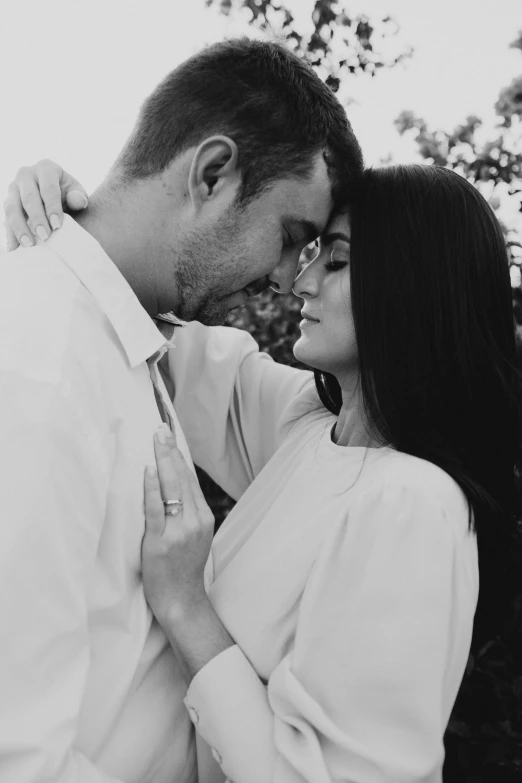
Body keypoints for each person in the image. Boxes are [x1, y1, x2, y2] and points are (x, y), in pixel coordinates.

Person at [8, 162, 521, 782]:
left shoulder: (411, 503)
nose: (299, 282)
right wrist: (62, 212)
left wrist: (188, 606)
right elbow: (145, 307)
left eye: (335, 261)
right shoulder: (307, 424)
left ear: (415, 283)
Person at [0, 38, 362, 783]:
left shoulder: (133, 336)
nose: (281, 279)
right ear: (213, 172)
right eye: (292, 237)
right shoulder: (40, 365)